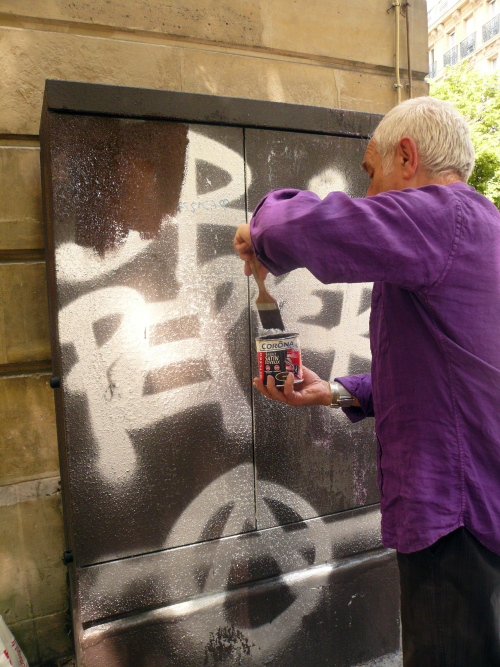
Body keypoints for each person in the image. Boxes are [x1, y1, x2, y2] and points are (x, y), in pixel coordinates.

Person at [233, 96, 500, 667]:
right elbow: (450, 377)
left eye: (370, 173)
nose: (368, 192)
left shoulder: (439, 215)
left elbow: (297, 224)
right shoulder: (482, 227)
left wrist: (260, 229)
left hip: (453, 520)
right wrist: (333, 390)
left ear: (407, 156)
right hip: (479, 511)